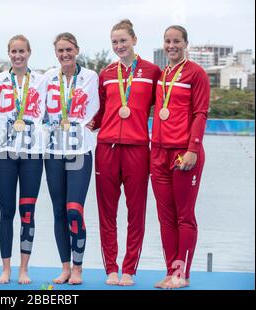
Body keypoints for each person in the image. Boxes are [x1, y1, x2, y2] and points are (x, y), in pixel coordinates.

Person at [91, 20, 161, 286]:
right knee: (106, 213)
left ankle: (129, 269)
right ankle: (111, 268)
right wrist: (87, 124)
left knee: (136, 212)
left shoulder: (152, 71)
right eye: (114, 42)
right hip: (106, 147)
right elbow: (100, 109)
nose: (119, 46)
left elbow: (165, 104)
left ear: (134, 40)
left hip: (138, 148)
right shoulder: (106, 73)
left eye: (123, 40)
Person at [151, 25, 209, 289]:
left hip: (183, 154)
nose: (171, 45)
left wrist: (193, 149)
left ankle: (182, 275)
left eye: (176, 41)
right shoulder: (163, 73)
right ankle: (170, 271)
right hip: (159, 152)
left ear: (186, 43)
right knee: (165, 217)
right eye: (167, 41)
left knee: (184, 216)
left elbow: (200, 113)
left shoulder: (196, 73)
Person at [44, 32, 99, 285]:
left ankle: (78, 267)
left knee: (74, 210)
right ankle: (65, 267)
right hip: (54, 152)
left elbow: (101, 108)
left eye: (69, 49)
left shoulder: (90, 77)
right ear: (56, 53)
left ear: (77, 49)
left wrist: (93, 125)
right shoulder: (47, 78)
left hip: (80, 152)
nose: (65, 54)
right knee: (58, 212)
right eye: (60, 51)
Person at [0, 35, 47, 284]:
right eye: (13, 51)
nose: (17, 55)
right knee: (6, 211)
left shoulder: (41, 81)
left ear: (29, 52)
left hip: (32, 155)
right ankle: (6, 269)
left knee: (27, 212)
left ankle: (24, 269)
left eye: (22, 51)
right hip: (3, 155)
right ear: (9, 53)